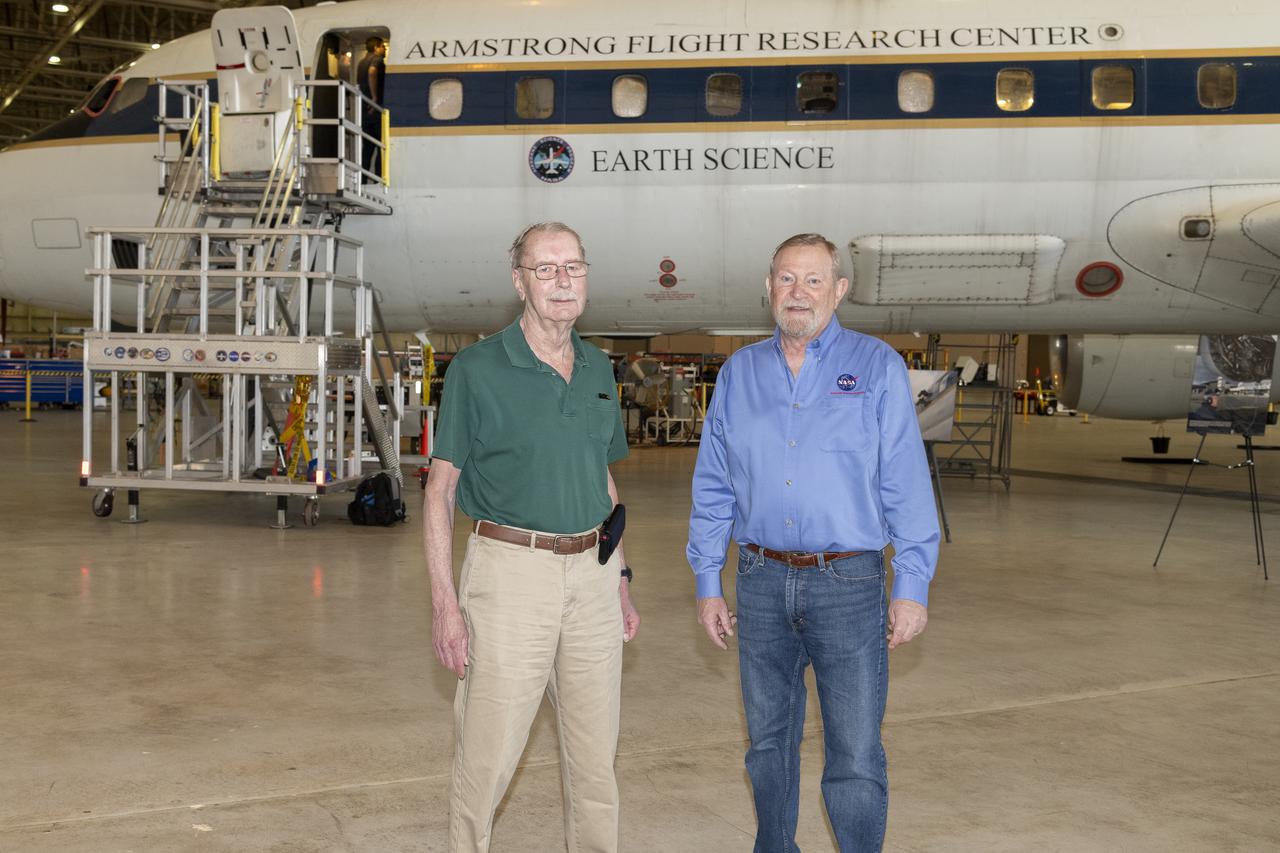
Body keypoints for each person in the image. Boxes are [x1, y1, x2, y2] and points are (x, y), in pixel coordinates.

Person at [686, 233, 940, 852]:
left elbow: (904, 481)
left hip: (848, 584)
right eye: (786, 279)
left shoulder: (877, 365)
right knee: (768, 745)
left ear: (839, 289)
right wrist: (706, 580)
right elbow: (714, 485)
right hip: (761, 581)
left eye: (813, 280)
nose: (798, 293)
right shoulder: (739, 373)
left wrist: (911, 586)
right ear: (768, 287)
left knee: (854, 750)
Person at [422, 222, 640, 853]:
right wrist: (444, 606)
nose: (562, 280)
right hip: (511, 572)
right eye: (545, 268)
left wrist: (620, 577)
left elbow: (603, 481)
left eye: (573, 266)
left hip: (594, 576)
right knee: (488, 755)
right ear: (519, 281)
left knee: (597, 761)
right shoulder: (477, 368)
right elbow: (439, 491)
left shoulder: (599, 366)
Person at [357, 36, 386, 177]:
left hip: (364, 111)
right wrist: (374, 98)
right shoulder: (377, 59)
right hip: (375, 110)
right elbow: (372, 72)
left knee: (367, 148)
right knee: (381, 146)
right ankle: (378, 178)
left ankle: (363, 179)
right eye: (382, 46)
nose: (384, 49)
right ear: (376, 48)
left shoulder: (361, 62)